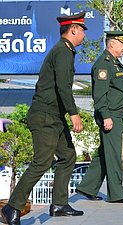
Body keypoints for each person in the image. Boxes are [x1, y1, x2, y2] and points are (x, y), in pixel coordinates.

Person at [1, 12, 87, 224]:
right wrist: (74, 113)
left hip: (54, 117)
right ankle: (11, 208)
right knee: (42, 161)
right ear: (74, 29)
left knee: (67, 156)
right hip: (45, 116)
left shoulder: (64, 51)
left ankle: (59, 204)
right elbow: (63, 87)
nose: (84, 33)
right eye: (83, 29)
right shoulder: (63, 52)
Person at [75, 31, 123, 203]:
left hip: (115, 114)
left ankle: (87, 188)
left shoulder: (114, 64)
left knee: (105, 153)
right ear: (112, 44)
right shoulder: (104, 64)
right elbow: (100, 95)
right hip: (110, 116)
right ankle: (117, 194)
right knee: (114, 155)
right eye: (122, 44)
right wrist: (106, 117)